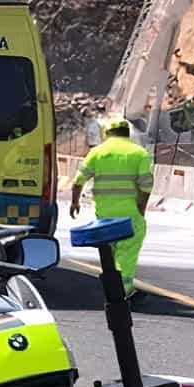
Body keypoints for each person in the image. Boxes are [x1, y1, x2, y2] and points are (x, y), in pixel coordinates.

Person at [70, 116, 153, 298]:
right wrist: (142, 207)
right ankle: (123, 290)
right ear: (127, 133)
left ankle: (113, 287)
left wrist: (75, 202)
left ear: (106, 133)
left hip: (104, 216)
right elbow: (146, 185)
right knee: (127, 254)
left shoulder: (97, 152)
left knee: (111, 253)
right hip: (131, 215)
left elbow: (78, 181)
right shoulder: (139, 153)